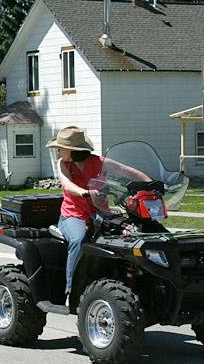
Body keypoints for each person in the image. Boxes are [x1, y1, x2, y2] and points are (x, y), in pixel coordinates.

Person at [46, 127, 150, 305]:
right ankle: (71, 291)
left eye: (61, 148)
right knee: (78, 239)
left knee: (134, 232)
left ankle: (136, 284)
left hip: (101, 214)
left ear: (73, 150)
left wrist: (151, 184)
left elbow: (127, 171)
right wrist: (85, 192)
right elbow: (67, 184)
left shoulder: (99, 162)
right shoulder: (63, 164)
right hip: (73, 215)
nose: (59, 151)